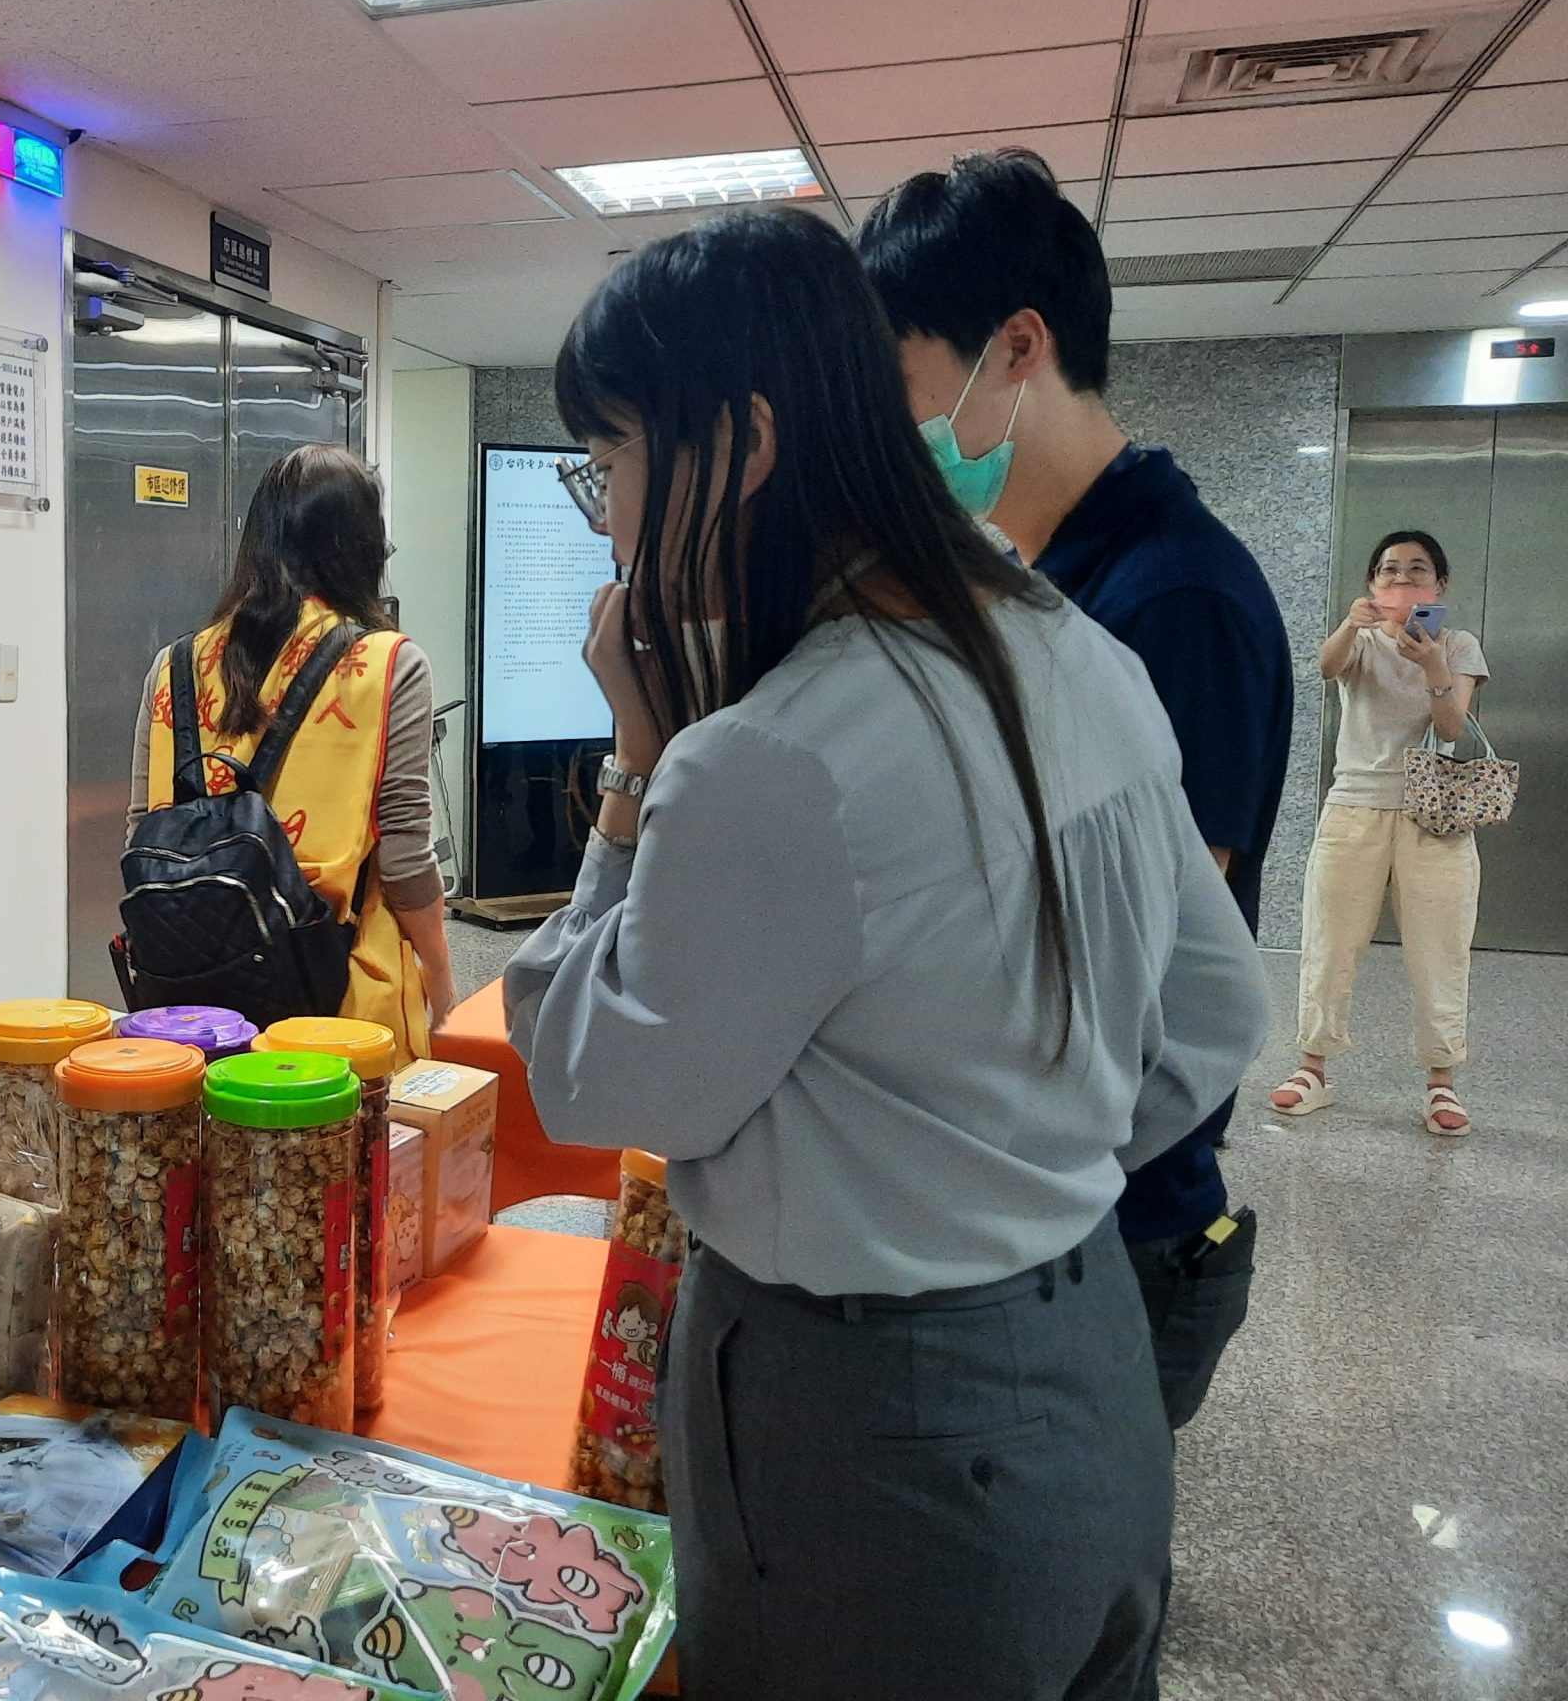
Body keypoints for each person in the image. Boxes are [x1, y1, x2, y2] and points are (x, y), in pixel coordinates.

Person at [504, 210, 1267, 1699]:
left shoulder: (770, 754)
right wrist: (1012, 1169)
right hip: (1087, 1363)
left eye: (611, 459)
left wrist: (634, 763)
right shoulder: (1072, 648)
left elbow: (594, 1082)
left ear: (744, 443)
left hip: (872, 1432)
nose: (606, 519)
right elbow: (1213, 1013)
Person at [857, 148, 1290, 1427]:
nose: (893, 435)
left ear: (1016, 348)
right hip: (1035, 1180)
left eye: (902, 389)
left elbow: (1142, 953)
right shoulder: (1040, 574)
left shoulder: (1175, 598)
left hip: (1114, 1210)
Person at [126, 443, 454, 1047]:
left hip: (192, 1008)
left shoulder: (174, 665)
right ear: (362, 547)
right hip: (337, 998)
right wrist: (439, 970)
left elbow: (142, 833)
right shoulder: (390, 664)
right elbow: (404, 856)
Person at [1271, 530, 1489, 1136]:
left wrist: (1433, 664)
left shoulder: (1459, 644)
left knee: (1441, 949)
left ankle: (1441, 1082)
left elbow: (1451, 728)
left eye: (1417, 570)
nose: (1402, 579)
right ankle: (1312, 1067)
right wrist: (1351, 623)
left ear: (1439, 585)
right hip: (1354, 807)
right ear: (1372, 583)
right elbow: (1325, 667)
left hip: (1434, 817)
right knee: (1329, 939)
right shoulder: (1361, 639)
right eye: (1389, 570)